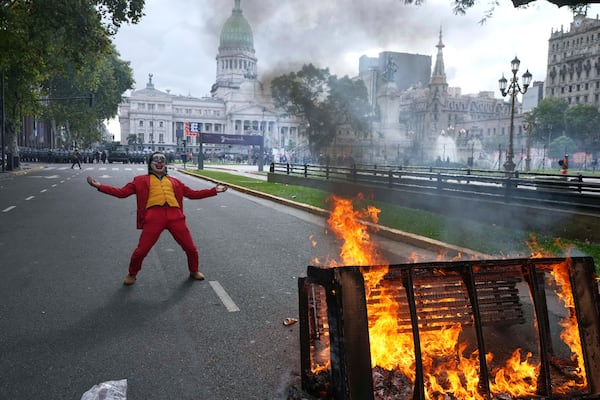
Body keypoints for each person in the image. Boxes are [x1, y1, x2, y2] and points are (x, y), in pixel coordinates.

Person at [86, 151, 228, 285]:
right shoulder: (140, 180)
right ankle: (132, 273)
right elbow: (122, 193)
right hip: (154, 216)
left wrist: (213, 191)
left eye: (162, 160)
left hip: (175, 216)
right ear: (150, 164)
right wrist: (100, 186)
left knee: (190, 248)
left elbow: (192, 194)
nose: (159, 162)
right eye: (156, 160)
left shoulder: (175, 181)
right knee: (142, 250)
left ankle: (194, 270)